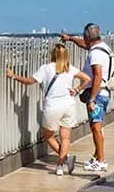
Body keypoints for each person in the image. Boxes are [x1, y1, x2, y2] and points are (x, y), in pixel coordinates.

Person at [6, 44, 90, 176]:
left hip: (52, 106)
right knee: (66, 138)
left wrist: (13, 76)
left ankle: (66, 158)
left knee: (48, 135)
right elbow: (87, 79)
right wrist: (77, 90)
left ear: (52, 54)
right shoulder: (70, 68)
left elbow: (29, 81)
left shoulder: (45, 69)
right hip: (69, 104)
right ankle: (60, 165)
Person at [59, 23, 114, 173]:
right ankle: (97, 156)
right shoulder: (102, 47)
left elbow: (97, 76)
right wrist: (70, 39)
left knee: (96, 127)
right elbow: (85, 45)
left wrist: (92, 98)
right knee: (95, 126)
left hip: (97, 95)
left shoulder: (95, 54)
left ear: (87, 36)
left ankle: (101, 160)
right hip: (102, 93)